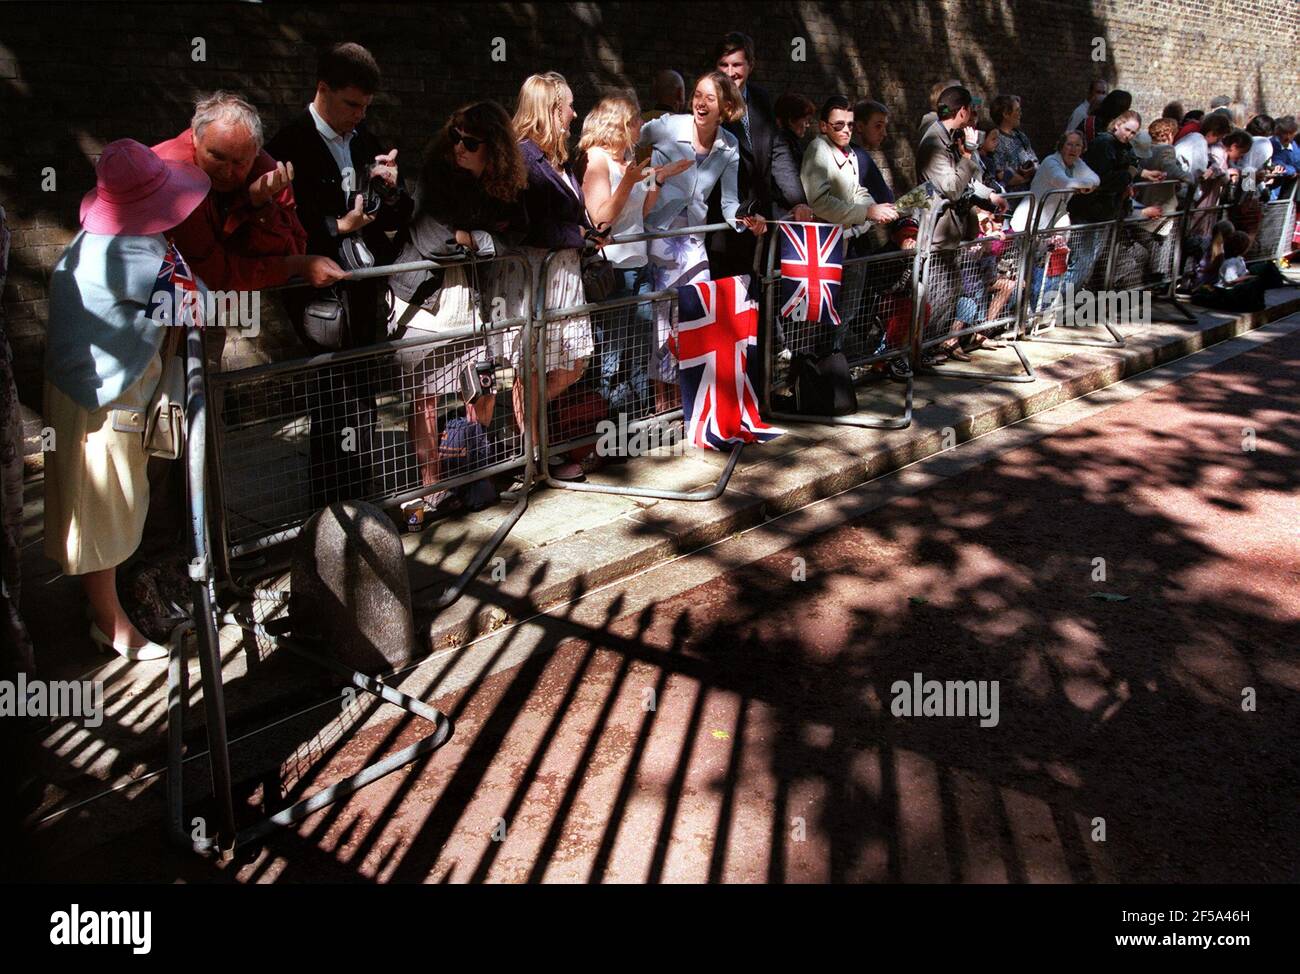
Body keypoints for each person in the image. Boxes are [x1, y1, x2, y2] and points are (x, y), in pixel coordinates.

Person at [43, 140, 211, 660]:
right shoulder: (130, 253)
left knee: (109, 505)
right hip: (100, 401)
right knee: (102, 511)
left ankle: (105, 610)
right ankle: (109, 624)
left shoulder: (101, 240)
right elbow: (199, 299)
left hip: (99, 392)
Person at [267, 42, 413, 508]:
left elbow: (399, 213)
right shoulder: (288, 146)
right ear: (322, 89)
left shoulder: (366, 139)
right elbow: (276, 226)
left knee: (363, 394)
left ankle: (356, 493)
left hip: (364, 287)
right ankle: (329, 506)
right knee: (331, 396)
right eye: (351, 104)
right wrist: (336, 227)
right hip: (319, 292)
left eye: (365, 106)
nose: (358, 115)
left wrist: (390, 191)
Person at [388, 101, 527, 510]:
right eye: (454, 136)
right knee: (425, 398)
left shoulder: (497, 188)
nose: (458, 147)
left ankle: (467, 467)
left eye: (469, 141)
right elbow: (434, 241)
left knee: (481, 388)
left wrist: (473, 237)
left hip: (472, 305)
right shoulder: (435, 177)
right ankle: (432, 489)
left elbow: (514, 235)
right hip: (424, 302)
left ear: (494, 149)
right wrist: (477, 239)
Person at [639, 70, 766, 404]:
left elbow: (727, 204)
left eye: (710, 98)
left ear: (725, 107)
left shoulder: (729, 145)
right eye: (697, 95)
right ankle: (660, 407)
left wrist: (744, 221)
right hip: (659, 234)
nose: (700, 103)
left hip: (694, 240)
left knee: (695, 317)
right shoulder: (668, 126)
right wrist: (636, 180)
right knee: (663, 324)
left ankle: (687, 405)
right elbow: (628, 138)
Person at [505, 71, 598, 481]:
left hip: (563, 276)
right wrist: (574, 234)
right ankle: (533, 454)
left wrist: (587, 231)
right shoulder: (523, 157)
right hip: (535, 277)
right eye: (569, 106)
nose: (575, 114)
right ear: (550, 109)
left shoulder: (556, 159)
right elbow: (522, 224)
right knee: (531, 366)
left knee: (573, 362)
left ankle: (530, 444)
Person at [579, 95, 688, 421]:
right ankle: (604, 422)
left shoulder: (627, 157)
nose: (642, 126)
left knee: (639, 348)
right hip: (613, 269)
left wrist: (657, 179)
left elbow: (640, 213)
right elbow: (601, 220)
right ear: (620, 123)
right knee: (611, 351)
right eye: (637, 120)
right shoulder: (596, 159)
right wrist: (628, 181)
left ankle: (637, 418)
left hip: (638, 264)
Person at [705, 31, 809, 278]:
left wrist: (798, 200)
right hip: (723, 224)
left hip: (761, 221)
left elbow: (777, 152)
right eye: (723, 65)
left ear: (751, 65)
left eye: (737, 65)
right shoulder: (708, 103)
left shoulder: (761, 98)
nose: (730, 73)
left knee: (758, 298)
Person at [772, 92, 816, 213]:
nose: (807, 125)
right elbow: (787, 174)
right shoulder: (781, 142)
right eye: (806, 120)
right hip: (783, 210)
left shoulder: (791, 142)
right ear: (791, 120)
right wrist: (801, 205)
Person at [988, 94, 1038, 189]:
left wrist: (1032, 169)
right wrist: (1024, 178)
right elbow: (1001, 175)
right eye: (1017, 111)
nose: (1020, 114)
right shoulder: (995, 139)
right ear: (1006, 114)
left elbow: (1035, 161)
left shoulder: (1021, 136)